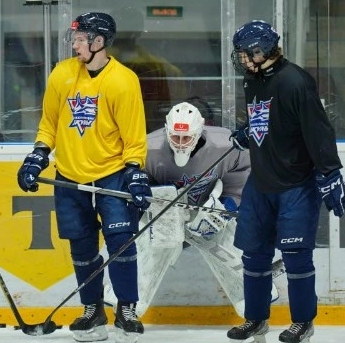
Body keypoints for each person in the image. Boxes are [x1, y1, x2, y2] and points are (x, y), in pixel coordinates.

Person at [16, 12, 150, 343]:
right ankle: (92, 309)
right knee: (82, 246)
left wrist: (135, 172)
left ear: (99, 42)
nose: (74, 44)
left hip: (112, 176)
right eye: (74, 38)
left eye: (80, 38)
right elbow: (49, 123)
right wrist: (37, 156)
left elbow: (134, 138)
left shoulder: (123, 80)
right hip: (70, 176)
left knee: (121, 245)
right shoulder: (62, 74)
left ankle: (126, 309)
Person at [226, 20, 345, 343]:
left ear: (260, 51)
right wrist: (247, 129)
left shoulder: (296, 81)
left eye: (244, 53)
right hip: (261, 181)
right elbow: (270, 115)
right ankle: (255, 320)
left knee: (296, 255)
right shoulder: (253, 79)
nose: (240, 59)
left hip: (296, 183)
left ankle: (302, 321)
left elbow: (317, 129)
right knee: (254, 255)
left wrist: (330, 172)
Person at [103, 101, 280, 317]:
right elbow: (129, 181)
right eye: (175, 137)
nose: (179, 143)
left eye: (186, 138)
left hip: (208, 210)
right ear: (167, 130)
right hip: (163, 213)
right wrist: (144, 195)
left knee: (227, 238)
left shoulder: (227, 145)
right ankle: (127, 303)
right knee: (152, 241)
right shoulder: (146, 148)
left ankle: (253, 301)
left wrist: (225, 206)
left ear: (199, 132)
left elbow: (242, 178)